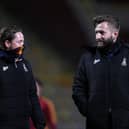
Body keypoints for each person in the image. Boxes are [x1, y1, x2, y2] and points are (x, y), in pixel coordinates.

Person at [72, 15, 129, 129]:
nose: (97, 37)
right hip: (96, 123)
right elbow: (78, 88)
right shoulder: (87, 58)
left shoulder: (127, 54)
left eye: (102, 33)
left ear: (115, 34)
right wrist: (88, 111)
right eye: (96, 32)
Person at [0, 25, 46, 129]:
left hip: (23, 123)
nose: (22, 45)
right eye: (19, 42)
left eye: (23, 41)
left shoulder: (26, 65)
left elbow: (32, 95)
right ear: (7, 43)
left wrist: (40, 123)